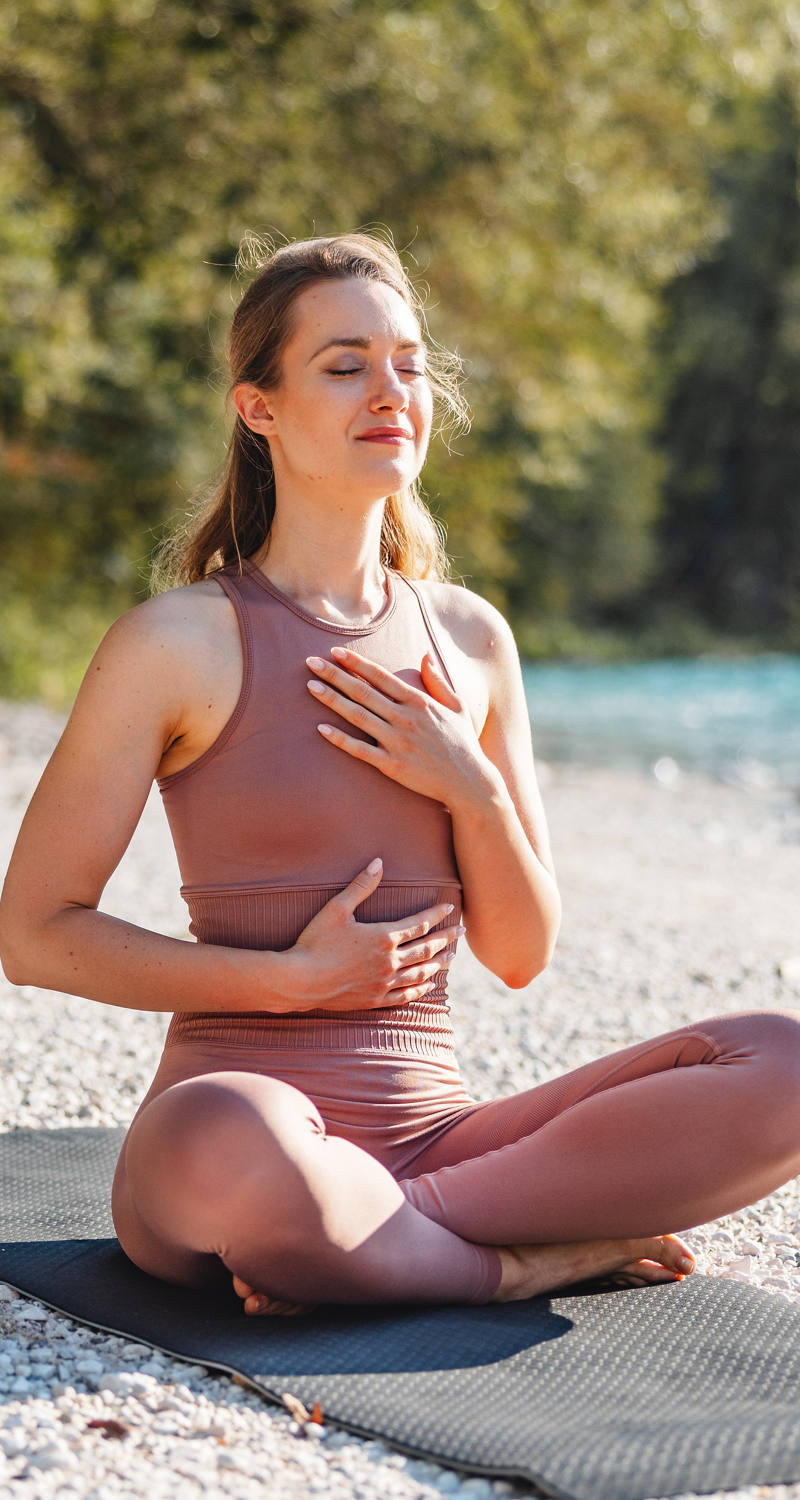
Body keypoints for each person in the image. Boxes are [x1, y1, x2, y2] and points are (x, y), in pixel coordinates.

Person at [2, 232, 800, 1315]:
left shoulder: (470, 641)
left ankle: (369, 1238)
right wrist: (282, 984)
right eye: (343, 365)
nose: (391, 391)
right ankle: (522, 1259)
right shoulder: (178, 643)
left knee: (779, 1064)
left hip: (437, 1135)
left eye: (409, 363)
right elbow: (35, 933)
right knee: (237, 1145)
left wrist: (464, 782)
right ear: (260, 409)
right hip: (235, 1128)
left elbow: (518, 952)